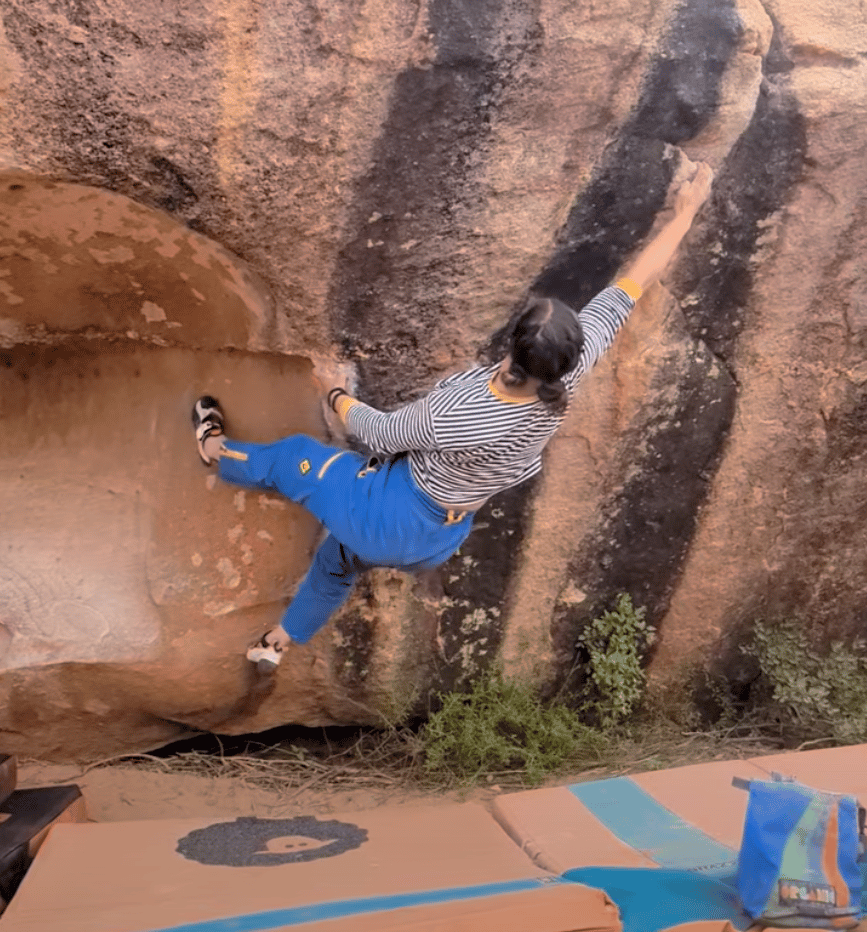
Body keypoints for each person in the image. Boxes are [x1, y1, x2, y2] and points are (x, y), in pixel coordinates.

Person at [193, 156, 713, 672]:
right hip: (435, 539)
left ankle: (214, 449)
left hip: (391, 512)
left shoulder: (463, 413)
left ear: (512, 341)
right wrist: (684, 214)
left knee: (297, 459)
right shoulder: (567, 377)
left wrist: (334, 397)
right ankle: (278, 641)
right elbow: (628, 289)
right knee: (338, 561)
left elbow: (380, 433)